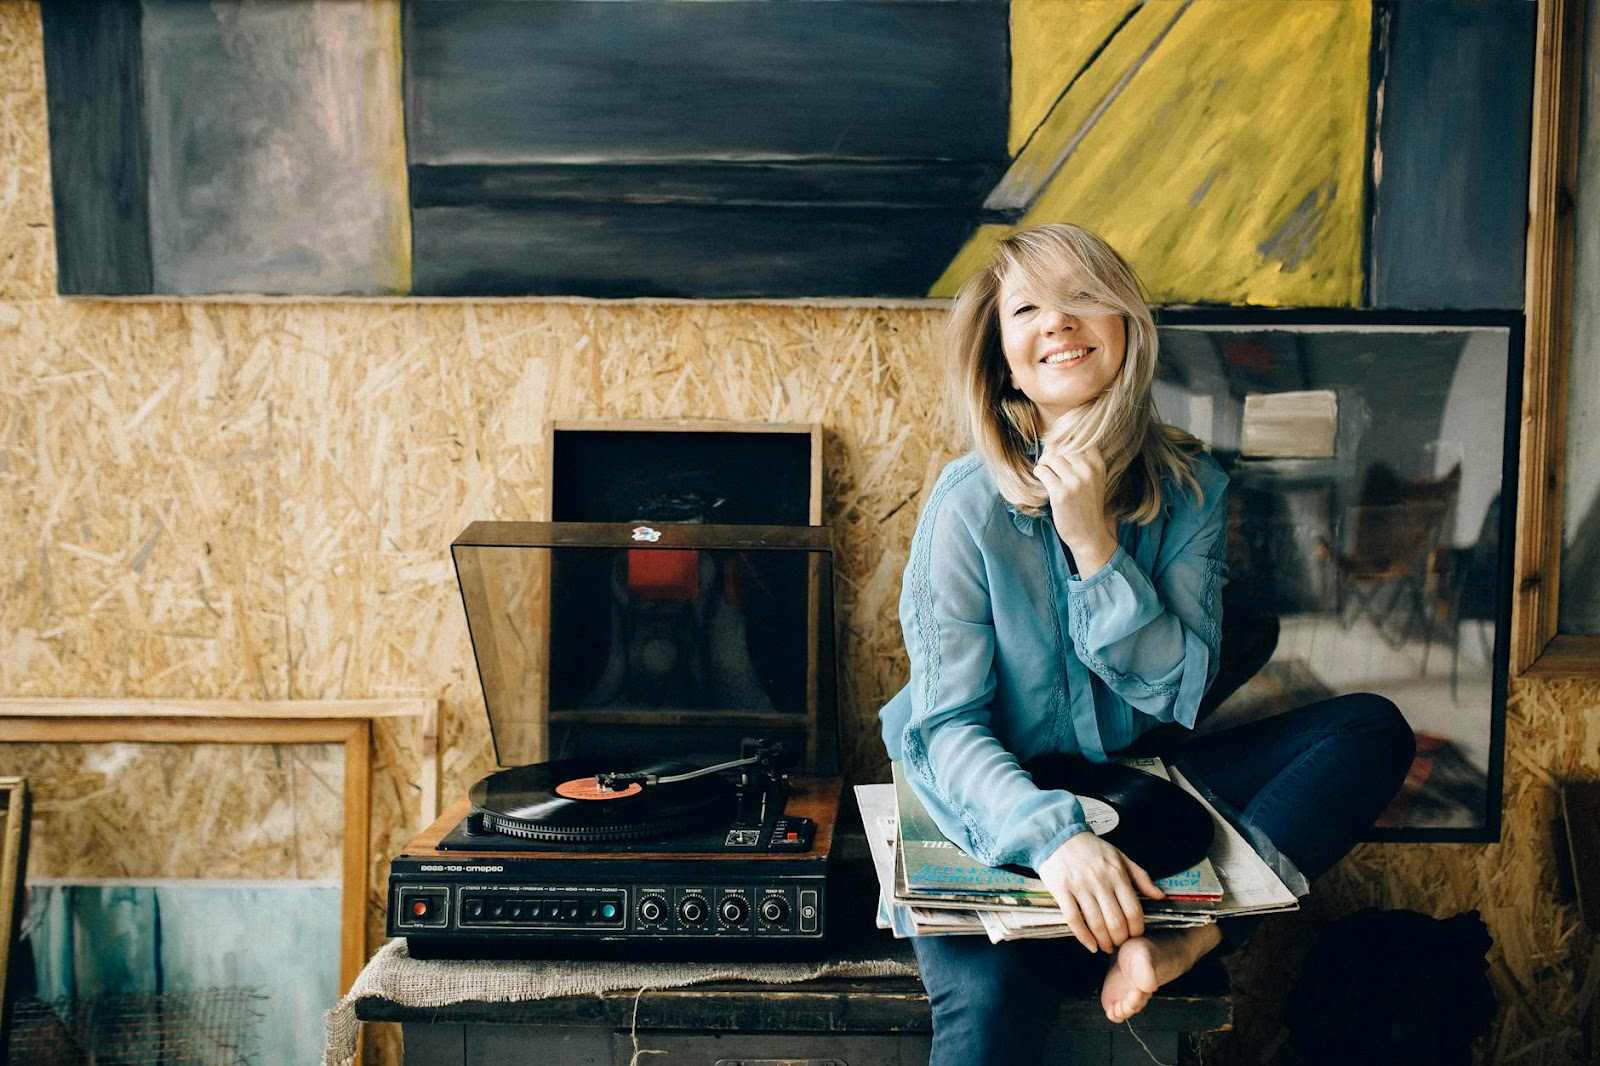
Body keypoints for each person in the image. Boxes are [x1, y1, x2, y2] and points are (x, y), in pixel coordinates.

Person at [878, 223, 1416, 1065]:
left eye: (1083, 296)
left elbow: (1177, 691)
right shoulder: (967, 505)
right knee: (990, 1010)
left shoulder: (1190, 488)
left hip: (1136, 783)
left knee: (1369, 728)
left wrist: (1093, 543)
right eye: (1028, 308)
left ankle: (1191, 938)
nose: (1057, 321)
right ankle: (1107, 909)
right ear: (1004, 357)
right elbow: (946, 729)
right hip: (990, 794)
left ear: (1126, 324)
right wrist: (1053, 839)